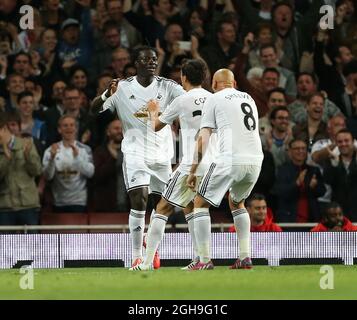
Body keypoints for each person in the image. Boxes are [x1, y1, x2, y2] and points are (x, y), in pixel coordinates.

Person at [98, 46, 185, 267]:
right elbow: (94, 109)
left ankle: (151, 247)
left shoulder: (168, 86)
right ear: (136, 63)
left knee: (164, 206)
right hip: (135, 153)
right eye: (146, 59)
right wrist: (107, 94)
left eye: (154, 59)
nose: (152, 63)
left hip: (162, 155)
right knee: (139, 200)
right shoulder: (123, 88)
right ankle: (136, 255)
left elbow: (190, 100)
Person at [129, 59, 213, 271]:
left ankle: (146, 263)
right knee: (193, 207)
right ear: (204, 77)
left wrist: (153, 110)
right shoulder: (214, 100)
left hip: (191, 164)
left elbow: (156, 126)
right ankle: (201, 259)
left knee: (162, 208)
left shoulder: (182, 100)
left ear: (184, 77)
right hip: (214, 164)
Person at [188, 69, 263, 270]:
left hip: (230, 159)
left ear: (213, 84)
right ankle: (245, 257)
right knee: (237, 202)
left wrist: (193, 170)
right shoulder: (249, 98)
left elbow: (203, 138)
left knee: (200, 202)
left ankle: (204, 260)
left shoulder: (214, 98)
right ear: (235, 82)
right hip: (256, 160)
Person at [42, 115, 94, 213]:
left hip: (79, 202)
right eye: (65, 125)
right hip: (58, 202)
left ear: (76, 128)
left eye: (72, 125)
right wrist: (52, 159)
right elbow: (48, 176)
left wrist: (77, 158)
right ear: (59, 129)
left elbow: (90, 173)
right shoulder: (50, 150)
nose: (69, 128)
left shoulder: (85, 149)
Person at [0, 112, 42, 229]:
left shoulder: (26, 144)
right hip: (5, 206)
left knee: (31, 245)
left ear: (3, 129)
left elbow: (37, 171)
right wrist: (6, 159)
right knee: (6, 246)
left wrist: (28, 156)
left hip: (28, 204)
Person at [92, 119, 129, 212]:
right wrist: (114, 159)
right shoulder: (100, 152)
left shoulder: (132, 152)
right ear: (108, 132)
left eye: (122, 128)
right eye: (116, 128)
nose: (120, 131)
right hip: (106, 204)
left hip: (130, 204)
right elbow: (97, 176)